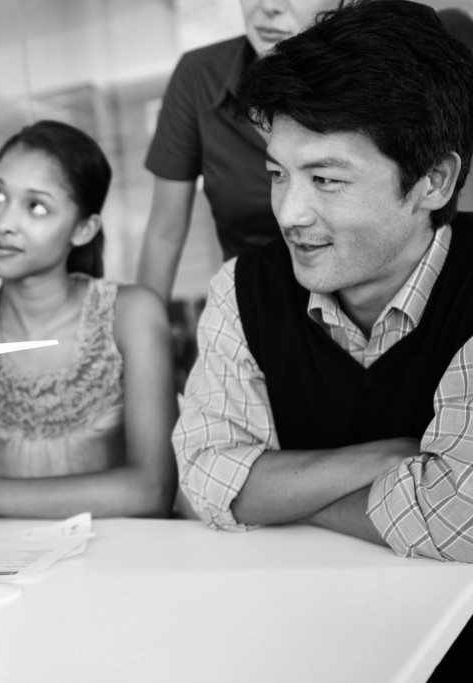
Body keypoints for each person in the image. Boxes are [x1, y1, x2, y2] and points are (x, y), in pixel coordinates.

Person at [174, 0, 473, 560]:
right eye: (277, 175)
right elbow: (205, 474)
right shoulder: (242, 290)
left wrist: (280, 497)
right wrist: (385, 459)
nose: (289, 214)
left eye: (326, 179)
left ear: (434, 180)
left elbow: (460, 517)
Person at [0, 121, 180, 522]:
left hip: (124, 566)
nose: (3, 222)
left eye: (36, 206)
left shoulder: (131, 314)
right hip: (13, 570)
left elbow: (152, 491)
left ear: (84, 229)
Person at [136, 0, 341, 303]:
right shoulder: (199, 76)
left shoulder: (385, 73)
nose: (269, 6)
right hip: (254, 313)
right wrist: (141, 334)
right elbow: (164, 233)